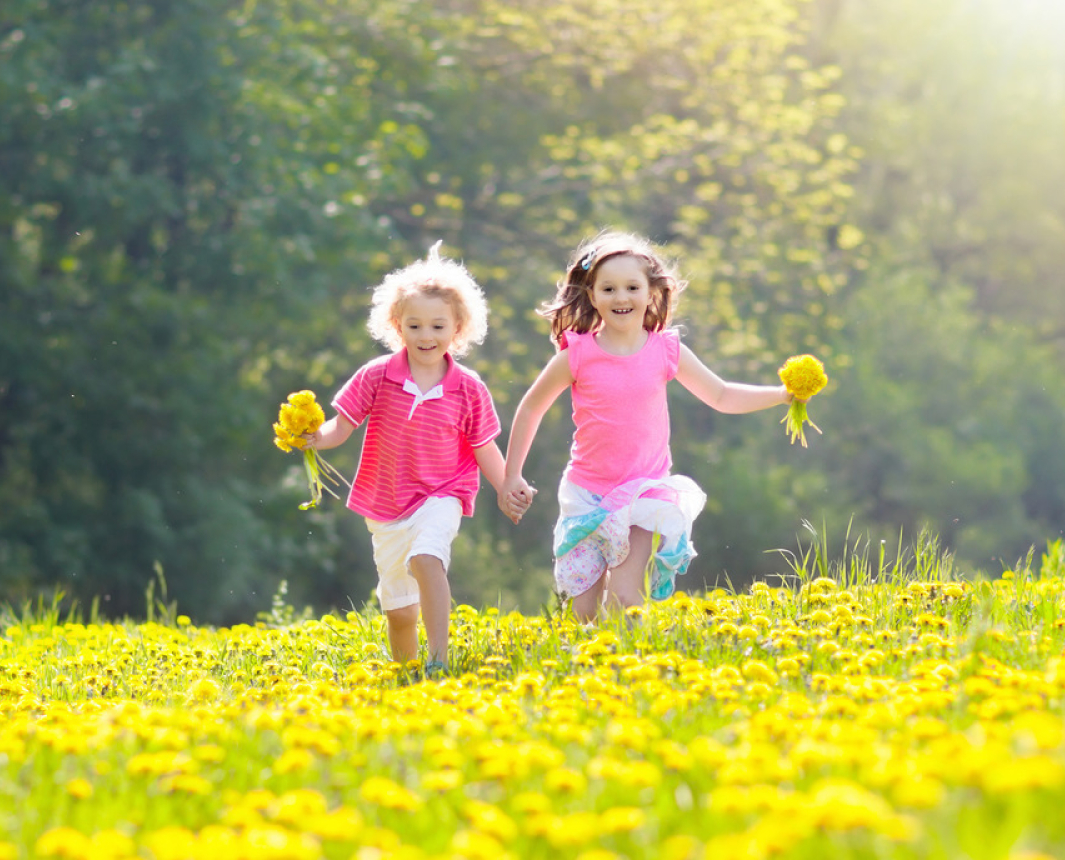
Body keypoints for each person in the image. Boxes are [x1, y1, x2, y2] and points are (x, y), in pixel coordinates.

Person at [500, 231, 790, 622]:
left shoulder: (665, 350)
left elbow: (721, 395)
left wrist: (782, 394)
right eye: (609, 289)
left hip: (641, 493)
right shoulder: (577, 355)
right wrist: (512, 474)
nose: (621, 297)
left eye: (632, 287)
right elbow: (532, 407)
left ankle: (625, 656)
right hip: (586, 495)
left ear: (651, 293)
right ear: (592, 296)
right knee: (580, 614)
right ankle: (588, 657)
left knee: (624, 599)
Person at [307, 242, 531, 674]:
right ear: (397, 326)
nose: (426, 336)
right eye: (415, 326)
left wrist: (508, 487)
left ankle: (438, 661)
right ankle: (408, 678)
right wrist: (314, 438)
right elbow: (341, 427)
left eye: (437, 326)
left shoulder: (469, 388)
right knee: (400, 613)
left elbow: (484, 447)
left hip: (442, 494)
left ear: (457, 328)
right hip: (385, 505)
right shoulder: (376, 376)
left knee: (427, 558)